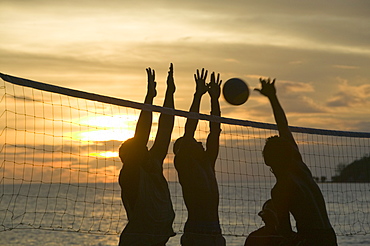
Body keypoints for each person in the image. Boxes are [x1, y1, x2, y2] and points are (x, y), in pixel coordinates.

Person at [255, 78, 338, 246]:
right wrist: (272, 97)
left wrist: (271, 220)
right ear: (289, 153)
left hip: (311, 239)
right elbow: (283, 126)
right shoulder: (301, 169)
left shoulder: (280, 189)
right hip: (330, 236)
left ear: (266, 160)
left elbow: (285, 231)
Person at [118, 64, 176, 246]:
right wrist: (149, 97)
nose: (148, 149)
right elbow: (141, 136)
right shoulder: (131, 175)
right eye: (142, 149)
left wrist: (170, 93)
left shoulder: (153, 167)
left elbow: (165, 131)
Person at [173, 69, 226, 246]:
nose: (200, 143)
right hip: (197, 233)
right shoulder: (185, 164)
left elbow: (215, 131)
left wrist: (214, 99)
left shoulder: (207, 163)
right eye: (196, 142)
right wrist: (197, 95)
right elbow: (189, 130)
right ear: (186, 149)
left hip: (215, 232)